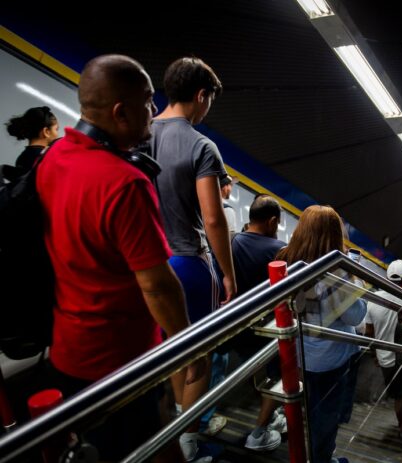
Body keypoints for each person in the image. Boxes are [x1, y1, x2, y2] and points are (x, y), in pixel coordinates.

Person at [36, 54, 203, 462]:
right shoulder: (125, 183)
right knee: (148, 447)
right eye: (146, 101)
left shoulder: (53, 157)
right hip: (119, 360)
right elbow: (157, 286)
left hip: (67, 350)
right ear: (120, 112)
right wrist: (190, 347)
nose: (153, 110)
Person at [150, 56, 236, 460]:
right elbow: (214, 219)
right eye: (210, 101)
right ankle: (187, 441)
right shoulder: (202, 145)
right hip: (189, 263)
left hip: (151, 263)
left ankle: (171, 428)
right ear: (201, 95)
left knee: (170, 350)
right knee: (199, 359)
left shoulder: (140, 133)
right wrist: (228, 273)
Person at [276, 205, 366, 463]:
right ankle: (322, 459)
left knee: (309, 407)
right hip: (332, 358)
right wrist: (355, 279)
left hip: (300, 353)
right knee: (326, 415)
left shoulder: (287, 260)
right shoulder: (336, 270)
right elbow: (356, 316)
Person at [229, 194, 287, 451]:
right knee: (277, 378)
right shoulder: (280, 250)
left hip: (237, 326)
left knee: (257, 373)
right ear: (272, 221)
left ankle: (269, 416)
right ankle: (259, 434)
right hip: (267, 329)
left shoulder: (232, 242)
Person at [364, 259, 402, 438]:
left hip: (384, 359)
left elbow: (369, 332)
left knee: (398, 394)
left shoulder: (373, 299)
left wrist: (374, 355)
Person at [5, 106, 60, 177]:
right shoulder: (46, 157)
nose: (57, 134)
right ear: (46, 131)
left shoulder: (22, 157)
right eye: (56, 129)